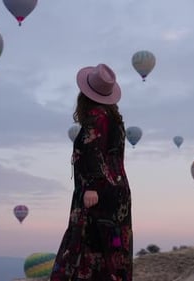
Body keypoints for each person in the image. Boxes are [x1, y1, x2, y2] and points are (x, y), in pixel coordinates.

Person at [51, 63, 132, 281]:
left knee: (88, 244)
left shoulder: (96, 118)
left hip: (96, 193)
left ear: (84, 94)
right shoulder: (115, 118)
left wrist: (91, 186)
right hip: (118, 192)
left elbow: (93, 151)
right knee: (113, 243)